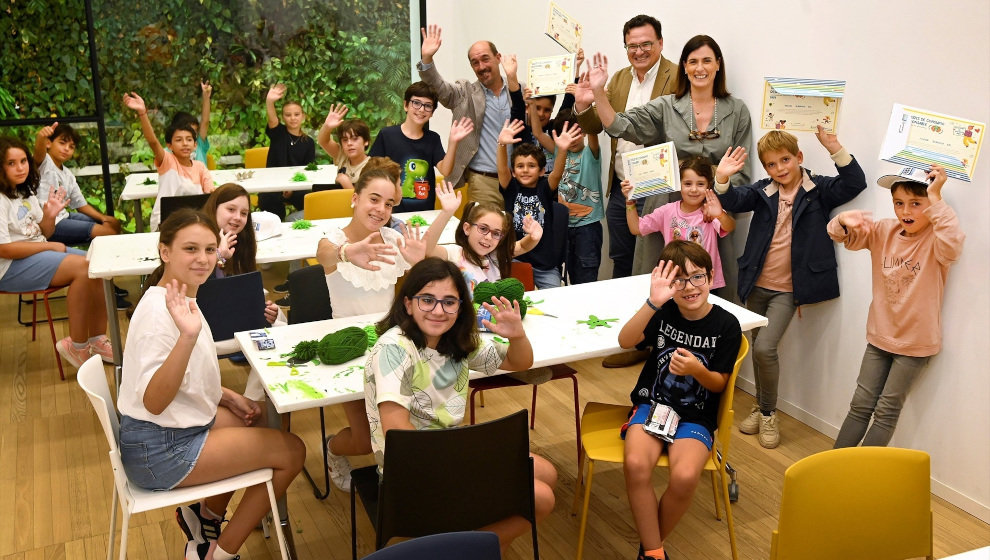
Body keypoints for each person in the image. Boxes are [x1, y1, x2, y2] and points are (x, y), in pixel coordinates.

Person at [117, 209, 305, 560]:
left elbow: (189, 376)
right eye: (190, 249)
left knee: (266, 417)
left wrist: (229, 396)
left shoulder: (177, 293)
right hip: (158, 449)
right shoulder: (162, 314)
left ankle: (205, 517)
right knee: (292, 451)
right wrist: (187, 337)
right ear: (165, 252)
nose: (203, 259)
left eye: (208, 249)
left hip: (169, 428)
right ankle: (220, 554)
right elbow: (155, 401)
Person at [364, 256, 556, 553]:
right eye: (427, 300)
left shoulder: (455, 339)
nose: (438, 310)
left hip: (450, 451)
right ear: (408, 304)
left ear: (460, 307)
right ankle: (467, 548)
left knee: (546, 473)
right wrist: (465, 469)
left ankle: (465, 545)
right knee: (540, 497)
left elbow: (520, 361)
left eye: (449, 302)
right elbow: (398, 434)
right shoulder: (394, 348)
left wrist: (517, 335)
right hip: (413, 469)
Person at [714, 126, 867, 448]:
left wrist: (835, 147)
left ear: (798, 157)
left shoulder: (818, 189)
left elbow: (854, 183)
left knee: (764, 348)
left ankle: (768, 413)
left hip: (788, 290)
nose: (780, 168)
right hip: (756, 284)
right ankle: (760, 405)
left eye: (785, 160)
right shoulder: (763, 191)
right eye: (771, 164)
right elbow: (734, 200)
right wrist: (723, 178)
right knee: (757, 350)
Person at [616, 240, 741, 560]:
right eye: (679, 280)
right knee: (635, 464)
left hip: (696, 415)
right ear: (667, 283)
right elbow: (625, 341)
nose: (689, 287)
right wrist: (653, 303)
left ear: (711, 277)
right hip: (652, 406)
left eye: (697, 277)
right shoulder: (664, 311)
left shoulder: (727, 325)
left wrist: (697, 370)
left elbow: (718, 384)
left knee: (685, 476)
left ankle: (648, 549)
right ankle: (655, 552)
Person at [313, 165, 435, 491]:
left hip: (391, 345)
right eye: (374, 199)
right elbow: (322, 253)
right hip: (349, 348)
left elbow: (426, 272)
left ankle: (410, 484)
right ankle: (331, 449)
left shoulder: (395, 239)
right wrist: (346, 253)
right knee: (366, 440)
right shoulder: (334, 240)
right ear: (355, 198)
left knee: (420, 419)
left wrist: (421, 260)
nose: (381, 209)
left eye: (389, 203)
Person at [829, 165, 964, 448]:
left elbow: (953, 243)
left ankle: (862, 477)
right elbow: (843, 238)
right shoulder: (884, 231)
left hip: (915, 343)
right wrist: (842, 220)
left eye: (917, 203)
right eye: (899, 203)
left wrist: (936, 195)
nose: (906, 211)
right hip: (879, 337)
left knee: (886, 413)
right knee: (860, 406)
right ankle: (834, 470)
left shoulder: (937, 240)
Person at [573, 14, 678, 280]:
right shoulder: (619, 79)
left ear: (661, 43)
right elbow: (597, 125)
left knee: (657, 261)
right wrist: (585, 103)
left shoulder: (678, 77)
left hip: (660, 188)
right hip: (623, 187)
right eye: (632, 46)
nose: (639, 51)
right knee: (621, 258)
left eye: (646, 44)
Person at [0, 136, 111, 368]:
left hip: (35, 254)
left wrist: (50, 215)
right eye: (11, 163)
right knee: (83, 268)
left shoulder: (24, 192)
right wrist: (49, 246)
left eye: (23, 161)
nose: (20, 168)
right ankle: (77, 346)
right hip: (9, 267)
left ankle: (97, 340)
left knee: (99, 263)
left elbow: (46, 231)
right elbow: (4, 248)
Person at [418, 25, 516, 206]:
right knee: (486, 232)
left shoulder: (518, 90)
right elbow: (438, 86)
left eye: (485, 59)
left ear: (498, 57)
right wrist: (427, 58)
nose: (481, 67)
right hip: (483, 183)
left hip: (520, 180)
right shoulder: (465, 92)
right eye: (475, 62)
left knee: (519, 234)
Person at [623, 156, 734, 291]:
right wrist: (630, 202)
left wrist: (720, 214)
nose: (693, 189)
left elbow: (729, 227)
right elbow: (636, 228)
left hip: (705, 283)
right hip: (675, 282)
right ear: (679, 185)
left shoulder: (710, 211)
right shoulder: (667, 211)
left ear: (708, 186)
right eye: (687, 184)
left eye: (700, 184)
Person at [368, 81, 474, 212]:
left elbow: (445, 170)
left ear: (432, 112)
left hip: (424, 212)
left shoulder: (433, 139)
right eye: (416, 103)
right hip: (391, 211)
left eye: (428, 106)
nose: (421, 109)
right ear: (406, 105)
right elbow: (371, 170)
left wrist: (453, 142)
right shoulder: (387, 135)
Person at [426, 185, 543, 295]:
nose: (488, 237)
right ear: (467, 228)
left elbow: (522, 246)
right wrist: (446, 213)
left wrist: (534, 237)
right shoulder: (455, 253)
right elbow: (427, 250)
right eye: (483, 228)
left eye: (496, 233)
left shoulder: (494, 255)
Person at [122, 92, 214, 232]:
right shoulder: (168, 161)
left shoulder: (200, 167)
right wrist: (142, 112)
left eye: (189, 140)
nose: (184, 144)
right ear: (169, 145)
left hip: (193, 222)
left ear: (195, 145)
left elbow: (210, 195)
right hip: (165, 224)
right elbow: (152, 141)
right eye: (178, 140)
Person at [496, 120, 567, 289]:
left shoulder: (545, 187)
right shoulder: (510, 187)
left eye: (532, 166)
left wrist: (562, 150)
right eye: (520, 166)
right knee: (515, 299)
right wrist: (501, 145)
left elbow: (557, 173)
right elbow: (501, 170)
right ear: (513, 171)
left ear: (542, 170)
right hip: (516, 258)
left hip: (545, 265)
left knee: (555, 301)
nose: (525, 170)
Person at [32, 122, 122, 244]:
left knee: (113, 223)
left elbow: (81, 205)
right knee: (107, 232)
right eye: (62, 143)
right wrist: (41, 137)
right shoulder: (44, 163)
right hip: (48, 223)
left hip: (64, 217)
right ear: (49, 143)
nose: (66, 149)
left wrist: (104, 218)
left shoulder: (68, 175)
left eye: (71, 146)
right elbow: (38, 153)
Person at [550, 111, 604, 284]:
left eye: (577, 133)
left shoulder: (591, 153)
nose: (572, 139)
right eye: (568, 135)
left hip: (587, 228)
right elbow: (537, 133)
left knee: (585, 276)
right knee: (563, 274)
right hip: (563, 226)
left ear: (584, 132)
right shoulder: (560, 152)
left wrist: (585, 107)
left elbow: (593, 129)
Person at [257, 83, 316, 219]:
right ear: (283, 117)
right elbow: (272, 119)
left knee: (309, 197)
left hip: (297, 186)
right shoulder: (278, 133)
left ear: (303, 116)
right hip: (273, 184)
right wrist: (269, 101)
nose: (293, 118)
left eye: (296, 114)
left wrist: (292, 188)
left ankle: (296, 224)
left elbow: (307, 170)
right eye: (288, 115)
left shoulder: (308, 142)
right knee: (269, 199)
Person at [316, 104, 371, 190]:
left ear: (366, 141)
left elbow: (363, 201)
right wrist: (327, 127)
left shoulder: (372, 165)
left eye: (355, 139)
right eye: (345, 140)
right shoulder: (342, 155)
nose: (349, 143)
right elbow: (323, 141)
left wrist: (346, 182)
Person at [169, 81, 214, 165]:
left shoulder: (198, 144)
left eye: (195, 132)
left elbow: (205, 122)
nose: (193, 135)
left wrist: (206, 97)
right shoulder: (167, 153)